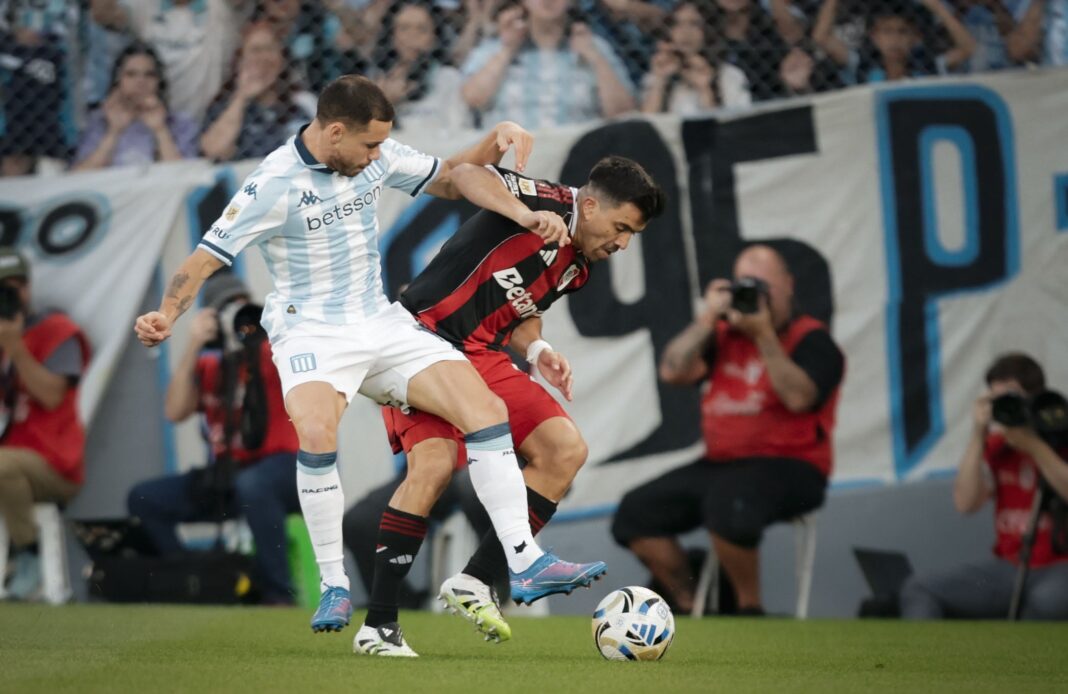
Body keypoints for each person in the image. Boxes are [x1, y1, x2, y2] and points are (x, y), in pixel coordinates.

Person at [133, 75, 605, 644]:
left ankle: (523, 561)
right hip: (310, 332)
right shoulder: (272, 184)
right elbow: (206, 258)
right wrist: (167, 313)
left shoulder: (374, 159)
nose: (379, 157)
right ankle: (335, 583)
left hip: (379, 322)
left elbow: (453, 178)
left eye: (383, 145)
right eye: (370, 146)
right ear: (334, 132)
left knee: (484, 410)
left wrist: (495, 140)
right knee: (316, 432)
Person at [357, 156, 664, 656]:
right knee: (432, 469)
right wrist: (521, 216)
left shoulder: (578, 266)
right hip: (418, 339)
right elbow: (465, 175)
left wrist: (539, 350)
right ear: (588, 206)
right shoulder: (541, 201)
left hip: (481, 353)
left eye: (632, 234)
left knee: (564, 450)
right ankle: (380, 625)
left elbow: (524, 313)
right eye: (621, 227)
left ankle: (477, 581)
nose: (623, 243)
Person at [612, 244, 844, 615]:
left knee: (730, 502)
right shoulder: (723, 336)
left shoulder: (812, 339)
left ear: (787, 285)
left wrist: (764, 335)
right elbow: (673, 371)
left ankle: (749, 608)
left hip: (793, 465)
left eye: (762, 287)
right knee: (636, 511)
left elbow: (799, 398)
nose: (755, 296)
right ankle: (691, 600)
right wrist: (708, 318)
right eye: (744, 287)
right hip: (721, 463)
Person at [126, 273, 302, 605]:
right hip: (228, 476)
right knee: (144, 498)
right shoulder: (209, 366)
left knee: (254, 485)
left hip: (282, 469)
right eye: (226, 310)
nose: (237, 317)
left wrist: (262, 329)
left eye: (242, 308)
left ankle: (278, 595)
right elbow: (175, 411)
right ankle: (192, 580)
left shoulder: (270, 353)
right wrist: (194, 343)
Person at [899, 354, 1068, 620]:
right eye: (996, 399)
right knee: (919, 588)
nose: (1005, 406)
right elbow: (965, 503)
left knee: (1045, 603)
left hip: (1059, 567)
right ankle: (925, 660)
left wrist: (1035, 446)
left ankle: (1021, 660)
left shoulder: (1060, 442)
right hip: (1009, 567)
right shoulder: (998, 448)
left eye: (1012, 398)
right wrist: (978, 434)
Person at [0, 247, 90, 600]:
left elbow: (51, 396)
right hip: (13, 457)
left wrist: (14, 346)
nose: (10, 295)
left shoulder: (57, 331)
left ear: (28, 288)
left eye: (16, 286)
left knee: (2, 466)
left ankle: (29, 554)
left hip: (55, 464)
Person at [460, 0, 635, 128]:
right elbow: (473, 99)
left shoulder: (595, 46)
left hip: (576, 158)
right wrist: (507, 50)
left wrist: (595, 58)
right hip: (511, 159)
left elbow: (623, 112)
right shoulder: (497, 46)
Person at [89, 0, 247, 122]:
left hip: (209, 119)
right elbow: (103, 14)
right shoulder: (145, 6)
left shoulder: (220, 7)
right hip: (156, 119)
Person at [200, 21, 318, 162]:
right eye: (256, 50)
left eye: (270, 49)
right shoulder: (224, 106)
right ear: (240, 61)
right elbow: (213, 150)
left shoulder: (301, 102)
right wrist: (241, 97)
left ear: (282, 60)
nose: (263, 58)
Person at [73, 41, 199, 171]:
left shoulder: (180, 123)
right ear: (118, 81)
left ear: (159, 82)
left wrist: (160, 130)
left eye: (149, 75)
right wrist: (113, 132)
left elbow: (183, 175)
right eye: (131, 74)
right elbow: (79, 177)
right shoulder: (99, 122)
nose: (141, 82)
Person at [368, 0, 472, 133]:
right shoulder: (377, 78)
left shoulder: (448, 77)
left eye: (422, 29)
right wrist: (386, 104)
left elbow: (457, 127)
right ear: (392, 36)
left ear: (434, 38)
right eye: (404, 28)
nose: (412, 36)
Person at [814, 0, 977, 84]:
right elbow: (821, 37)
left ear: (915, 38)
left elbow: (968, 48)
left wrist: (937, 7)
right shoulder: (862, 65)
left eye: (903, 32)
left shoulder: (929, 67)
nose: (895, 39)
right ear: (874, 37)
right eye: (887, 31)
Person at [641, 1, 753, 115]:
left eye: (694, 24)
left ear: (708, 30)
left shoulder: (730, 75)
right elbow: (645, 127)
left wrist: (705, 89)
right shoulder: (657, 75)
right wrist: (660, 80)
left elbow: (732, 127)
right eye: (677, 24)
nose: (685, 32)